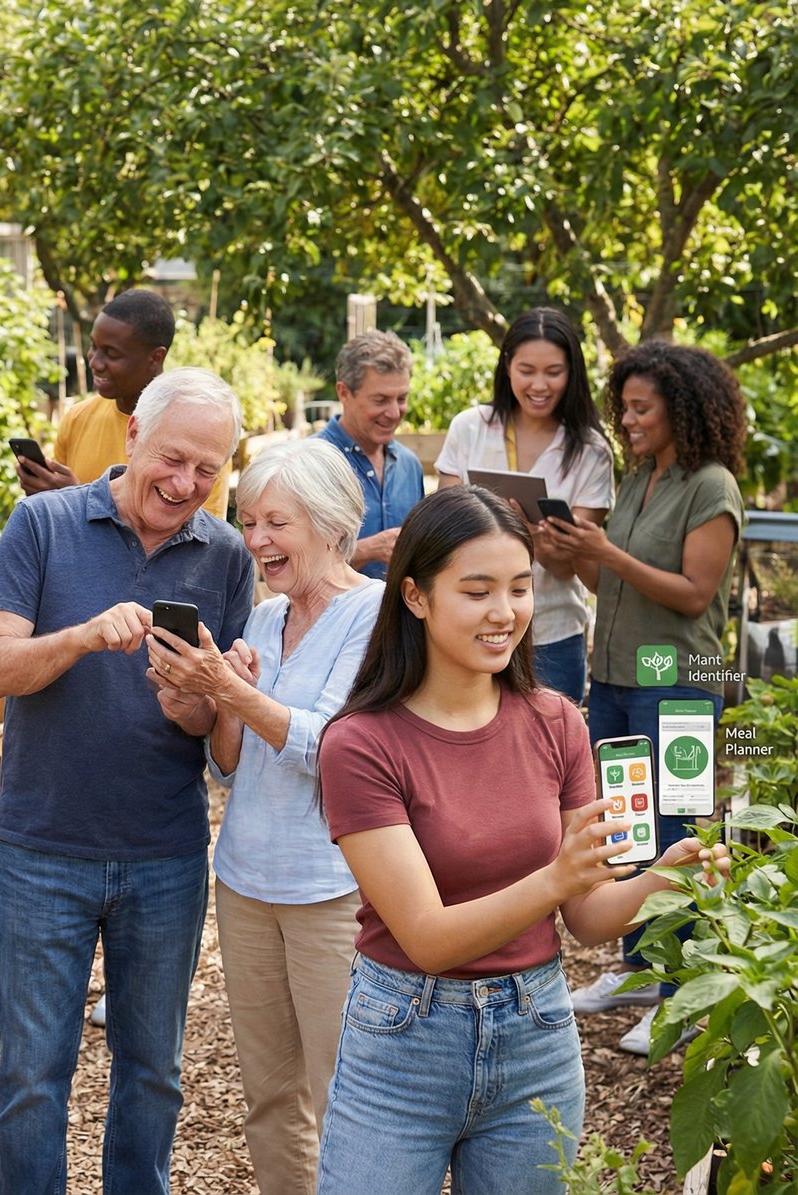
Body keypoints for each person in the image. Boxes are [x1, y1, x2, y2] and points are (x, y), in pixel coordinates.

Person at [313, 486, 728, 1193]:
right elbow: (429, 938)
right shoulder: (360, 744)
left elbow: (589, 917)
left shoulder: (556, 721)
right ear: (415, 596)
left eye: (519, 587)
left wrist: (668, 873)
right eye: (477, 591)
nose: (504, 613)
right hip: (404, 1038)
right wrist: (555, 879)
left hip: (536, 1031)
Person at [0, 367, 256, 1194]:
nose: (185, 483)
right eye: (173, 458)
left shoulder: (227, 554)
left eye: (208, 471)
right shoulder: (43, 523)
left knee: (154, 1072)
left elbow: (219, 734)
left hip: (163, 852)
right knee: (32, 1075)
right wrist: (84, 636)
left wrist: (194, 702)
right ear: (133, 434)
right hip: (43, 846)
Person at [147, 438, 379, 1195]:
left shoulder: (373, 617)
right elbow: (231, 763)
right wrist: (208, 700)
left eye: (275, 522)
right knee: (272, 1097)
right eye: (248, 522)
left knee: (347, 1094)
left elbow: (331, 748)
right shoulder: (267, 615)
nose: (256, 542)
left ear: (329, 521)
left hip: (329, 890)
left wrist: (235, 691)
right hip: (245, 881)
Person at [547, 341, 746, 1054]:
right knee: (627, 828)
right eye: (623, 408)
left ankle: (680, 996)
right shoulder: (640, 480)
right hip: (620, 674)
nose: (627, 421)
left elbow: (696, 594)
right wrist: (574, 552)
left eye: (641, 408)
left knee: (674, 832)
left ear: (681, 409)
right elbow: (615, 585)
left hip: (678, 678)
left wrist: (608, 554)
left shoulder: (711, 485)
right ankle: (638, 969)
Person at [436, 307, 613, 703]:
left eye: (554, 372)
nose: (539, 384)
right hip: (470, 628)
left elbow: (573, 564)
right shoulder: (470, 428)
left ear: (573, 373)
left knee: (546, 757)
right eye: (526, 370)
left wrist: (529, 535)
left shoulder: (590, 451)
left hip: (552, 634)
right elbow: (442, 528)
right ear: (507, 367)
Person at [16, 288, 231, 520]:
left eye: (112, 354)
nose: (95, 363)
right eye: (94, 347)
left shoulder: (199, 435)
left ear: (155, 358)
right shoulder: (78, 418)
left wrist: (78, 500)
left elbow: (198, 543)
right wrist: (51, 501)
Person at [315, 329, 423, 579]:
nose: (395, 412)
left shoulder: (409, 465)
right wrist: (367, 550)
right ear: (343, 393)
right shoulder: (312, 462)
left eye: (402, 398)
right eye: (380, 400)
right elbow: (292, 562)